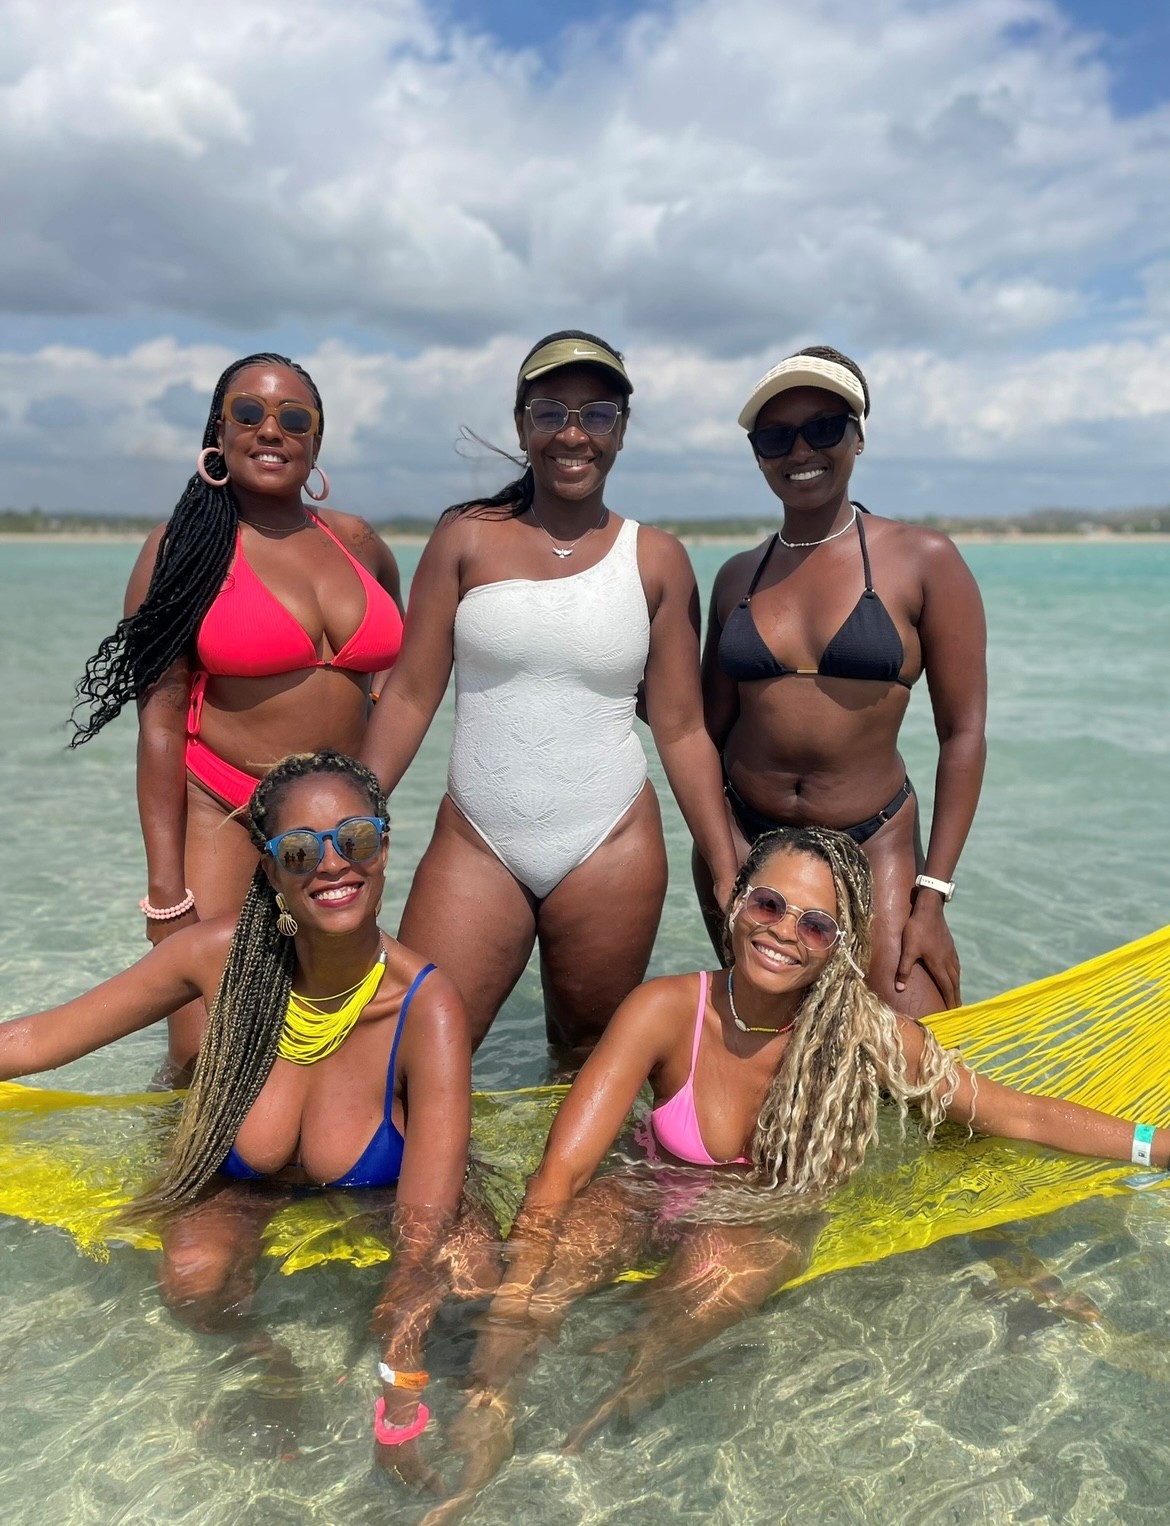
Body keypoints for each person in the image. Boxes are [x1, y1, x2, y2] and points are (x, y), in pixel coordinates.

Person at [424, 825, 1167, 1515]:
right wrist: (513, 1311)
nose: (784, 931)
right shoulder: (666, 1010)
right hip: (649, 1185)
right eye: (770, 904)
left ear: (842, 945)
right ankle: (484, 1425)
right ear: (737, 902)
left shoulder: (867, 1037)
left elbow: (1018, 1116)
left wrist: (1154, 1145)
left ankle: (618, 1419)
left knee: (692, 1297)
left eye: (816, 924)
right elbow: (558, 1176)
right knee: (536, 1287)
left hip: (759, 1219)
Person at [0, 750, 470, 1472]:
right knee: (192, 1280)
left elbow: (423, 1230)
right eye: (301, 851)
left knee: (471, 1277)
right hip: (244, 1186)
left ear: (383, 845)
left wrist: (400, 1393)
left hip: (381, 1197)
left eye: (355, 840)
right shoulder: (219, 959)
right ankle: (265, 1359)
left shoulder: (425, 1005)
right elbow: (39, 1040)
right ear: (272, 870)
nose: (333, 866)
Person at [361, 330, 739, 1054]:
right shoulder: (464, 537)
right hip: (475, 841)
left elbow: (682, 729)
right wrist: (350, 814)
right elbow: (408, 696)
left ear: (620, 430)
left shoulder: (658, 558)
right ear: (521, 425)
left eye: (597, 415)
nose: (573, 434)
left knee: (584, 1058)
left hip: (611, 843)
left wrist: (725, 867)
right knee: (408, 1053)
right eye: (550, 412)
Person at [70, 354, 405, 1073]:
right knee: (202, 1054)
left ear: (317, 440)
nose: (270, 430)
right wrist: (166, 894)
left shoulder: (359, 542)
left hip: (333, 830)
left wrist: (366, 783)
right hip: (222, 807)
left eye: (293, 418)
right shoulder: (183, 549)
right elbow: (160, 725)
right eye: (248, 413)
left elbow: (396, 673)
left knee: (331, 1037)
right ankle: (174, 1149)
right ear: (218, 434)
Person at [697, 345, 986, 1018]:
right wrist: (719, 855)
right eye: (775, 437)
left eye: (823, 428)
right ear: (758, 455)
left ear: (858, 436)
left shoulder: (925, 560)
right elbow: (701, 731)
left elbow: (964, 734)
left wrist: (932, 895)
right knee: (764, 1036)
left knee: (908, 1042)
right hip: (747, 836)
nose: (800, 450)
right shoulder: (737, 577)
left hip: (873, 837)